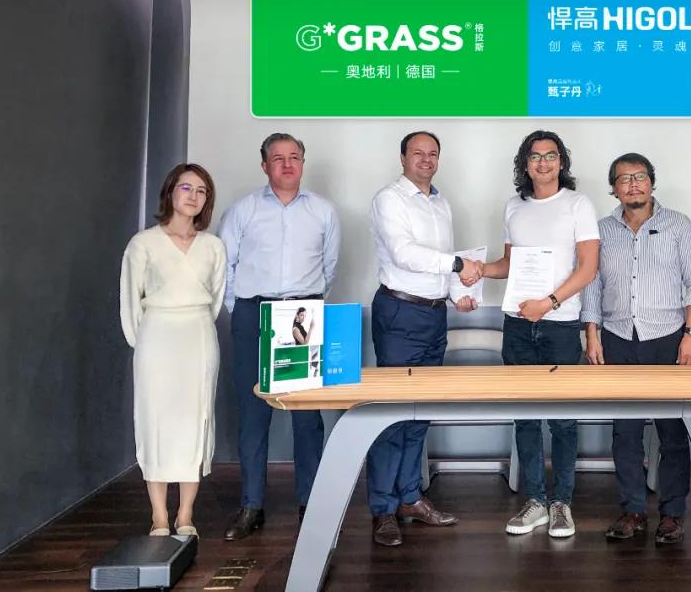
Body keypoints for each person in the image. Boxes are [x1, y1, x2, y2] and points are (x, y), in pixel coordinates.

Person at [580, 153, 691, 544]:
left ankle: (672, 514)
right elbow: (592, 285)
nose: (633, 184)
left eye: (639, 177)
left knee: (673, 432)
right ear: (614, 188)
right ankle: (633, 510)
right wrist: (591, 333)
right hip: (618, 338)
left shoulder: (678, 225)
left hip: (669, 338)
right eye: (624, 179)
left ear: (652, 182)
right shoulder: (601, 230)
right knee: (625, 432)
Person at [218, 133, 341, 541]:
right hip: (253, 314)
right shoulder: (243, 210)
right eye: (278, 158)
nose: (287, 165)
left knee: (307, 415)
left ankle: (310, 503)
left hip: (302, 316)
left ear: (303, 163)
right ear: (264, 165)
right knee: (254, 414)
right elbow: (225, 266)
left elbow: (329, 267)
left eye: (294, 157)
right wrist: (242, 310)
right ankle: (251, 505)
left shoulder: (323, 211)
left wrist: (307, 304)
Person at [365, 131, 482, 547]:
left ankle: (410, 497)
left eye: (433, 154)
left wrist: (457, 294)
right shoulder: (389, 199)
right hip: (400, 313)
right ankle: (382, 509)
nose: (426, 160)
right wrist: (458, 264)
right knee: (393, 415)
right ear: (402, 158)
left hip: (434, 315)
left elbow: (442, 263)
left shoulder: (440, 203)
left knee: (419, 413)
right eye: (418, 153)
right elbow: (405, 253)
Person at [483, 130, 600, 539]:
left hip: (560, 325)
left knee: (563, 420)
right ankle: (535, 501)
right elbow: (509, 264)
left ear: (561, 162)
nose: (544, 162)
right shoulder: (514, 207)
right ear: (526, 164)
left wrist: (548, 303)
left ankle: (561, 503)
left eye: (551, 155)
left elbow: (588, 268)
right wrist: (479, 270)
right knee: (526, 418)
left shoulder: (578, 204)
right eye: (535, 156)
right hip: (517, 325)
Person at [119, 163, 227, 537]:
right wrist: (146, 341)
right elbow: (130, 302)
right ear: (170, 192)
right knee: (156, 420)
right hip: (157, 337)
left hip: (198, 335)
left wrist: (195, 322)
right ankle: (159, 516)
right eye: (186, 188)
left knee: (195, 419)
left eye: (202, 191)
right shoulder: (143, 244)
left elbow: (215, 298)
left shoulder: (213, 247)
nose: (193, 196)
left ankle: (185, 514)